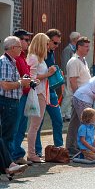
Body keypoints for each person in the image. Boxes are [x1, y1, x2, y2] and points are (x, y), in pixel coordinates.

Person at [26, 33, 56, 163]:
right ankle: (31, 154)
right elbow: (31, 78)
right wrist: (48, 74)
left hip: (42, 93)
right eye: (46, 43)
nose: (48, 45)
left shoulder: (40, 58)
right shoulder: (34, 57)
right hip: (37, 93)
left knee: (36, 125)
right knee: (34, 126)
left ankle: (33, 153)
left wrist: (49, 74)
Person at [34, 29, 64, 157]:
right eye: (55, 43)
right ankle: (37, 151)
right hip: (40, 92)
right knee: (38, 123)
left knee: (58, 120)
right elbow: (34, 75)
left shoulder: (51, 52)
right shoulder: (37, 54)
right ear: (47, 40)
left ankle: (59, 149)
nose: (56, 46)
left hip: (50, 91)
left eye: (58, 44)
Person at [0, 36, 31, 155]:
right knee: (7, 135)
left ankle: (7, 163)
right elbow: (5, 85)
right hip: (7, 102)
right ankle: (8, 164)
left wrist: (22, 81)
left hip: (11, 102)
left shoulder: (10, 61)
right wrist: (21, 82)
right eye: (19, 47)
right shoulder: (5, 62)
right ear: (12, 48)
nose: (21, 50)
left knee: (9, 134)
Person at [11, 29, 35, 165]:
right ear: (18, 41)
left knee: (21, 126)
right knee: (16, 126)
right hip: (18, 96)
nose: (27, 42)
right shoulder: (15, 58)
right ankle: (13, 155)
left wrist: (31, 82)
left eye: (28, 40)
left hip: (25, 95)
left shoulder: (22, 56)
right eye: (25, 39)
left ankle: (18, 154)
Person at [65, 36, 91, 155]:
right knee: (79, 122)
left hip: (83, 97)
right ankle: (73, 146)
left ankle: (73, 146)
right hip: (79, 97)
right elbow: (73, 81)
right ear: (79, 47)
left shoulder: (83, 60)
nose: (88, 49)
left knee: (76, 121)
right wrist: (78, 96)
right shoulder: (74, 61)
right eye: (86, 46)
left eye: (88, 46)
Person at [61, 31, 80, 121]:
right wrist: (65, 75)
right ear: (75, 39)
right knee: (67, 95)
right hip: (68, 76)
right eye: (79, 38)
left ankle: (67, 114)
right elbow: (65, 63)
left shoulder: (74, 49)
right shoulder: (67, 50)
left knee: (71, 95)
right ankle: (61, 113)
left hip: (72, 76)